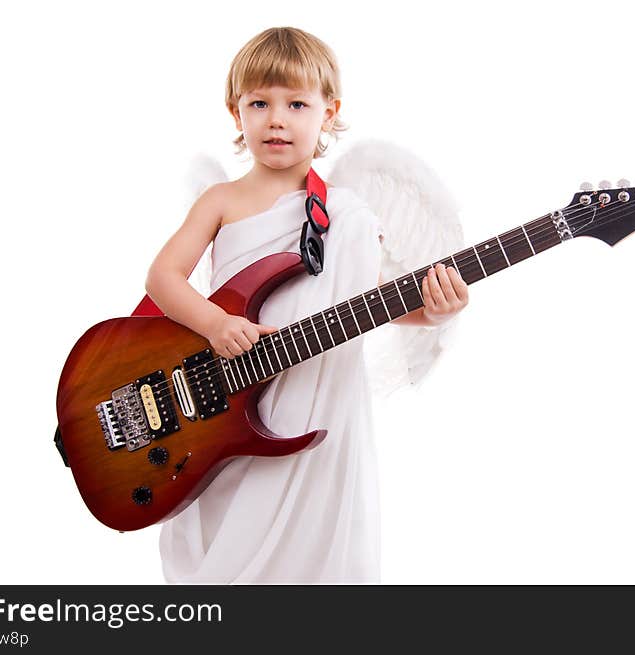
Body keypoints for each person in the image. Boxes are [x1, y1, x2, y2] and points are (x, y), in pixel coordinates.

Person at [145, 26, 468, 583]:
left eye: (297, 103)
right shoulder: (220, 201)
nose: (277, 118)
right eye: (260, 102)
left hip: (315, 414)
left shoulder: (347, 214)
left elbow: (368, 304)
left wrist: (435, 310)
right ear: (235, 111)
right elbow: (163, 277)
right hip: (226, 408)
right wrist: (217, 323)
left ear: (329, 111)